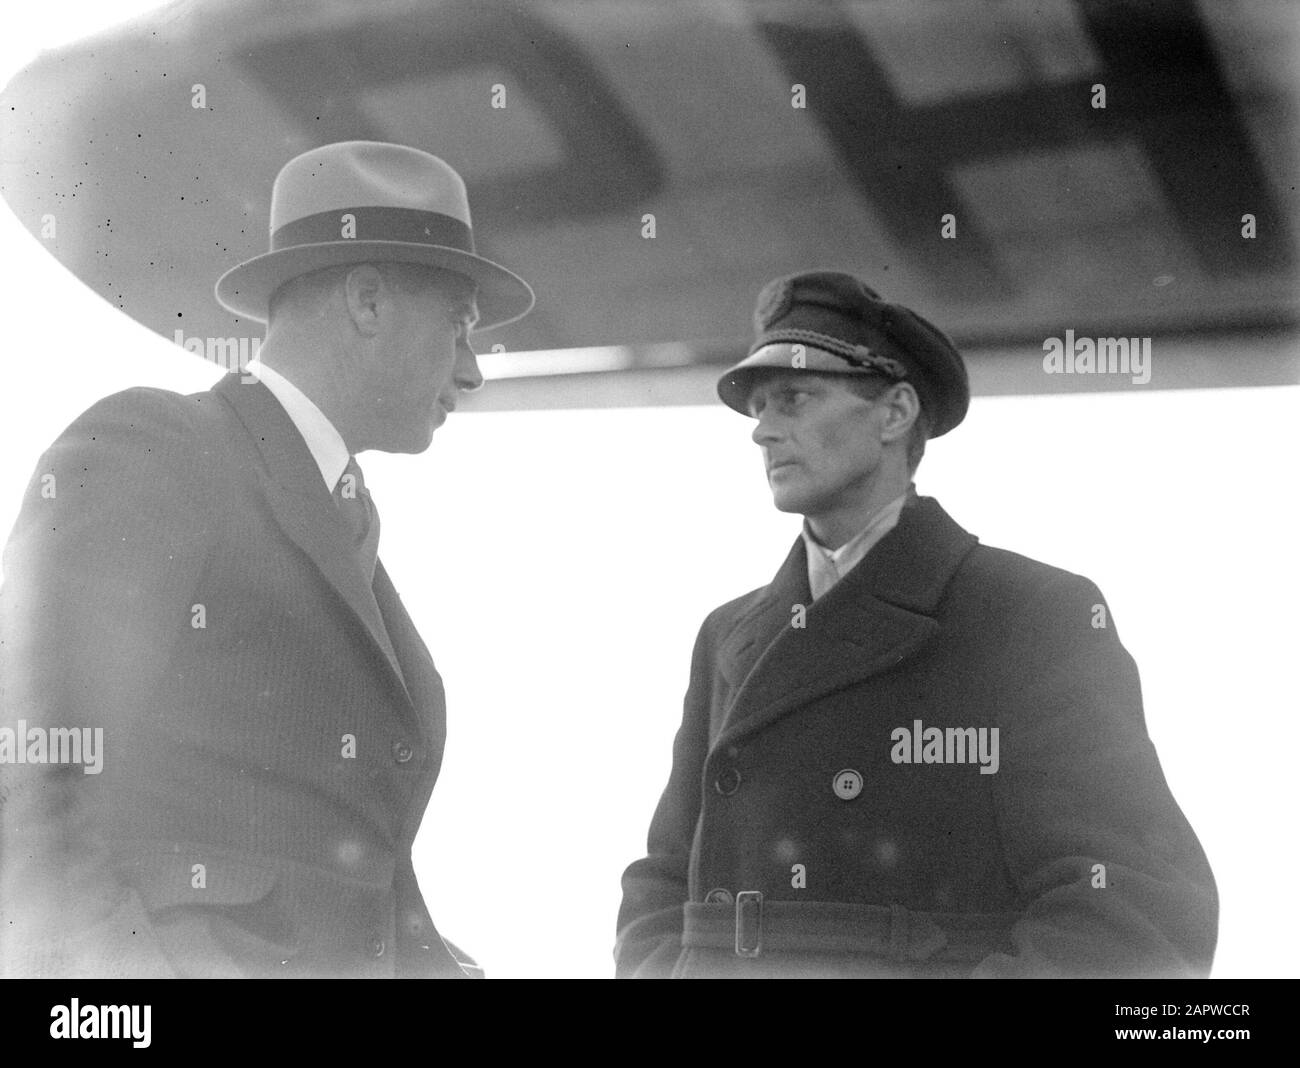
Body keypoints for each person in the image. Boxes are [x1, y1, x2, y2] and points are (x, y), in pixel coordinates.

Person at [0, 140, 533, 978]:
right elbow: (30, 771)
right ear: (366, 299)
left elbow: (357, 876)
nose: (471, 372)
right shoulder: (157, 447)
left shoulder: (342, 519)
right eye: (459, 327)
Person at [614, 270, 1218, 979]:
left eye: (795, 400)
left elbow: (1134, 908)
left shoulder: (1029, 613)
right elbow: (664, 877)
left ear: (895, 412)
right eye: (759, 408)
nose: (764, 432)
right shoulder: (729, 633)